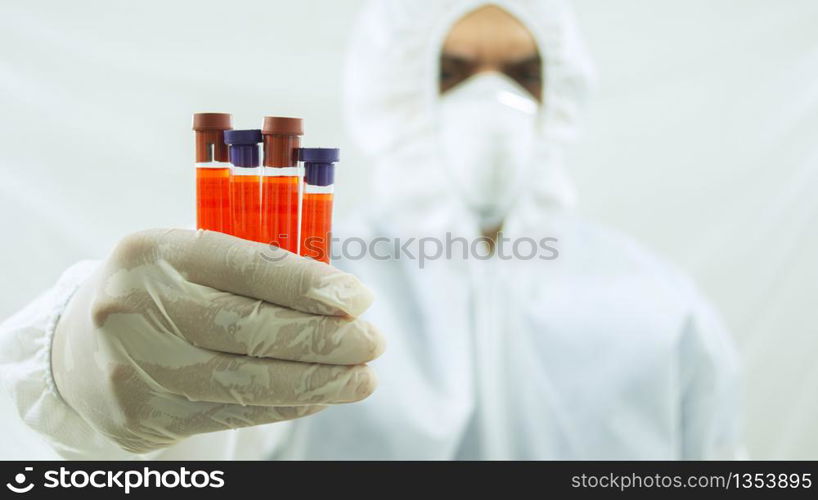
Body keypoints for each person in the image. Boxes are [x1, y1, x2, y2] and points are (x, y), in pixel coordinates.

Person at [0, 0, 741, 460]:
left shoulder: (658, 306)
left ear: (561, 90)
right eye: (451, 72)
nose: (493, 101)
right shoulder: (303, 283)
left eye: (522, 73)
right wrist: (73, 373)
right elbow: (202, 453)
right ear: (395, 88)